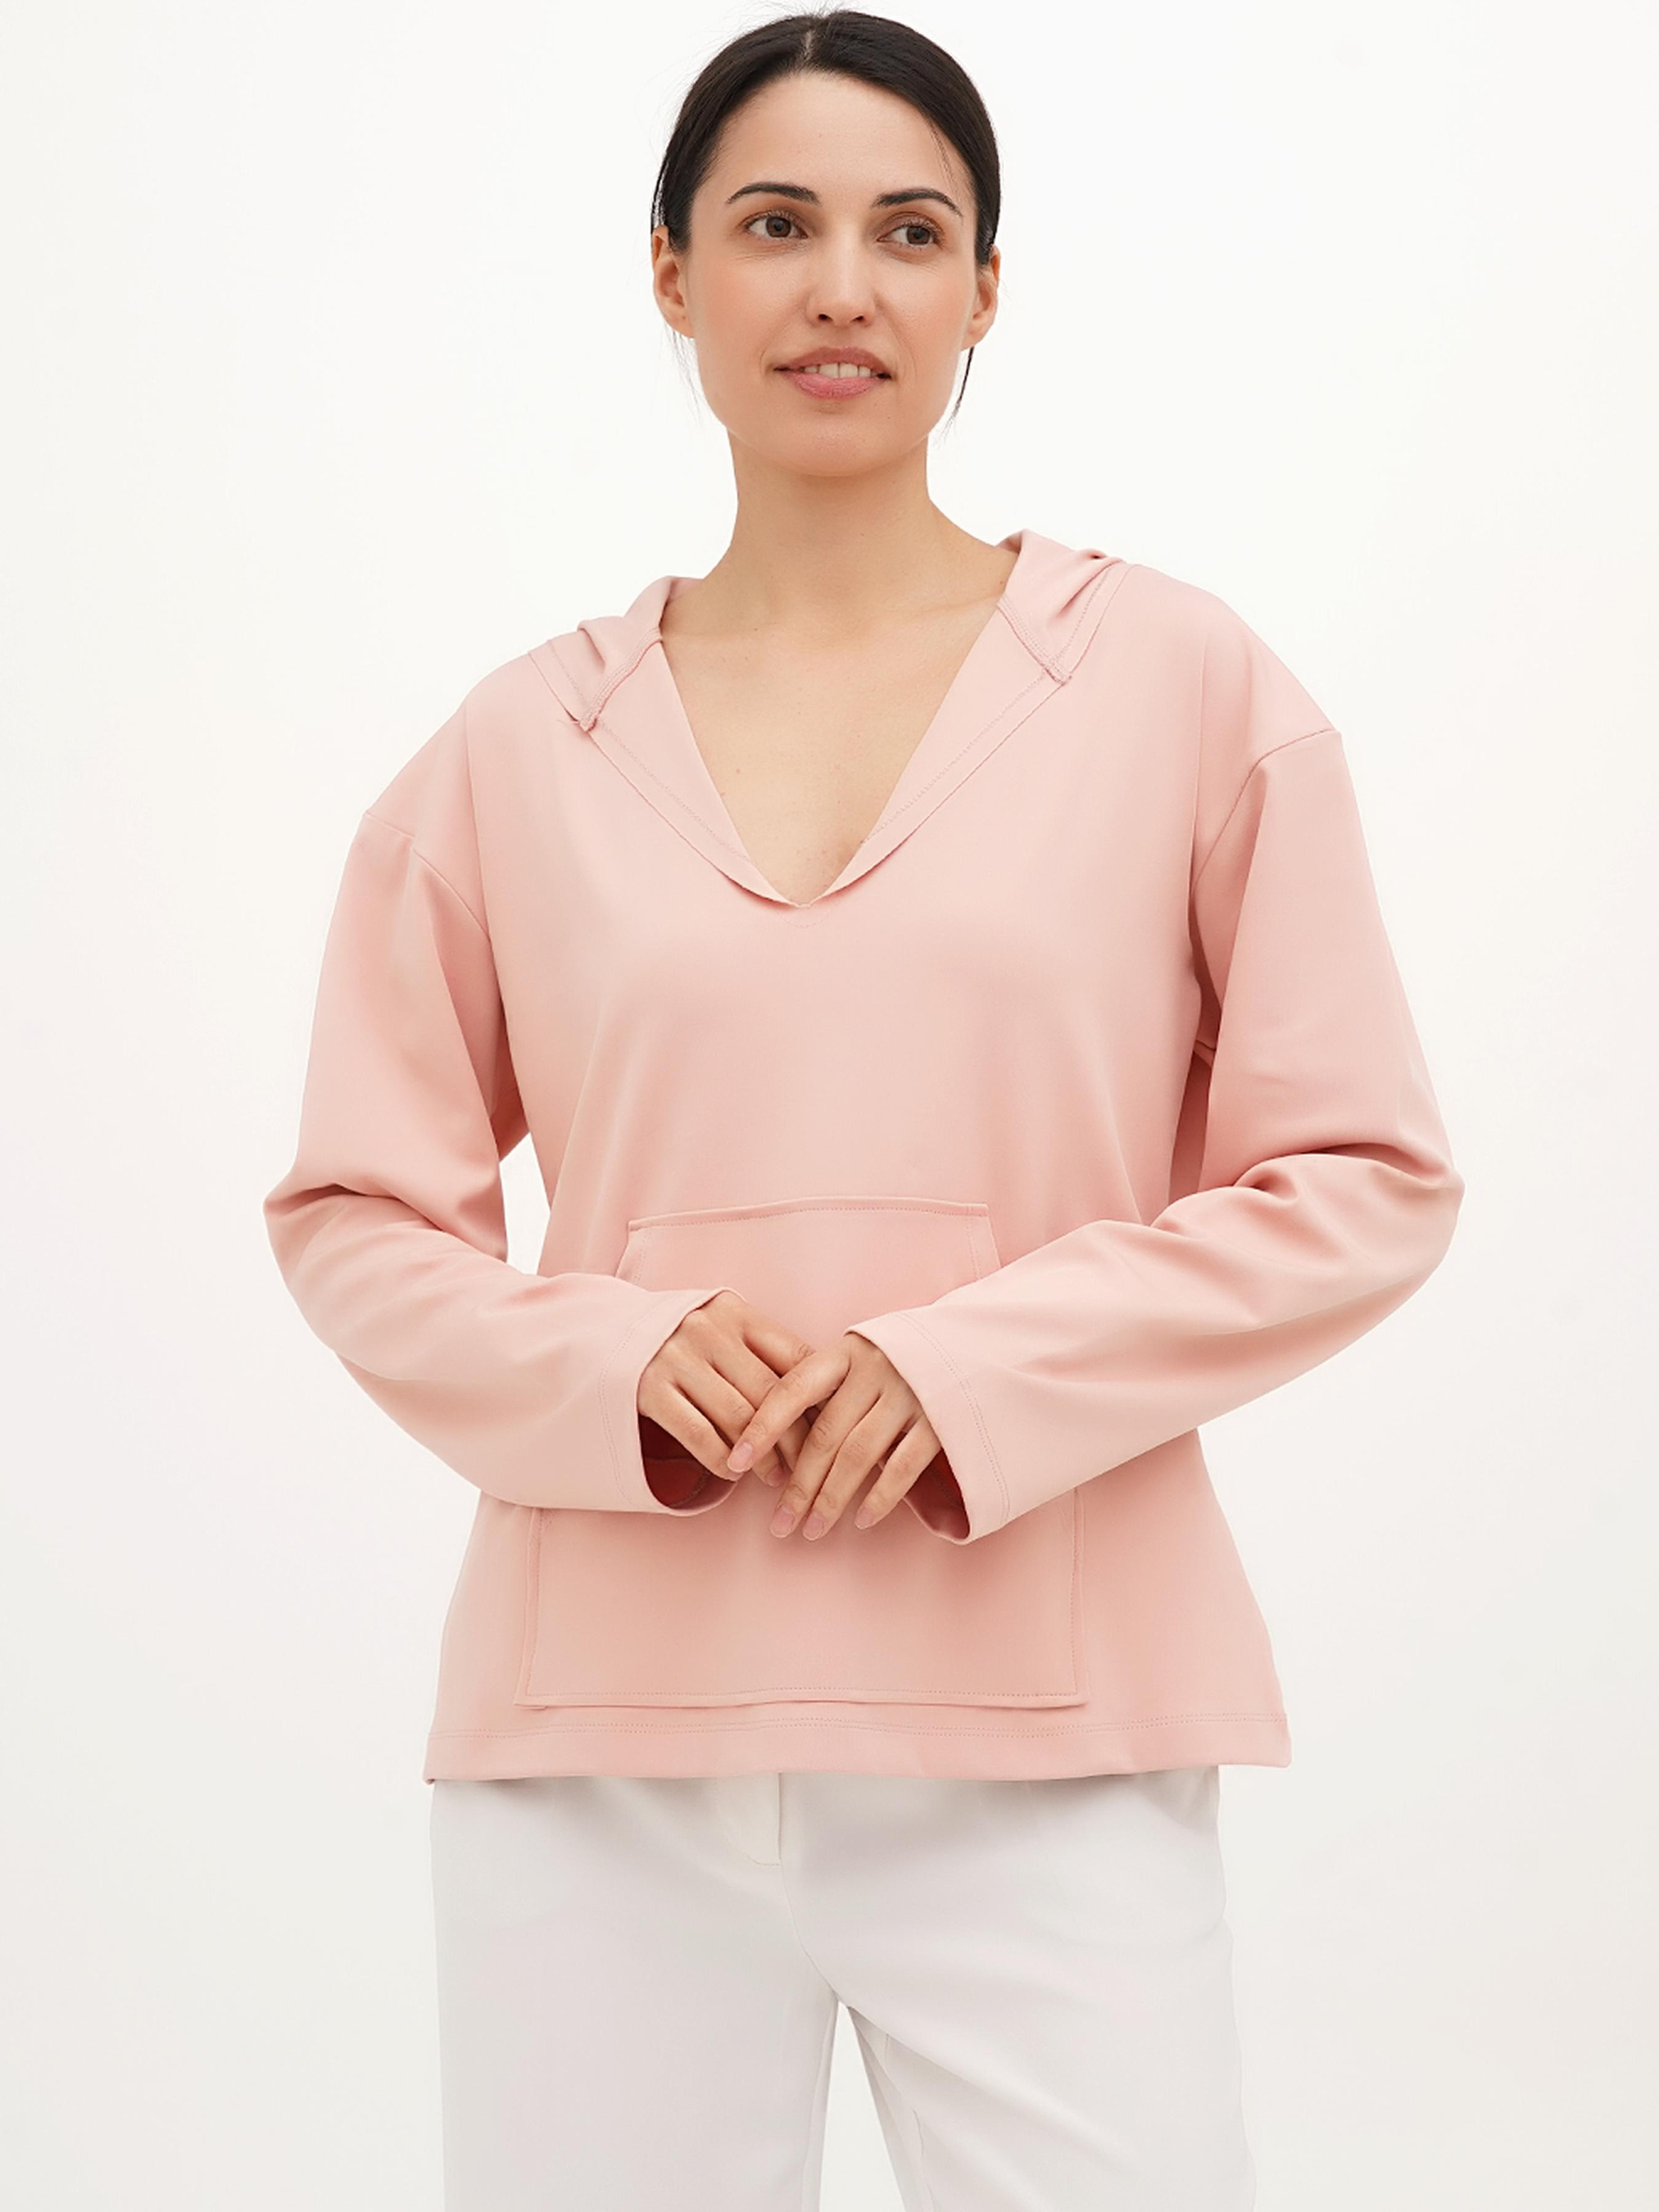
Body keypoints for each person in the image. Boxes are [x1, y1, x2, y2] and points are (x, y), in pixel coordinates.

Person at [261, 11, 1464, 2207]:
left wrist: (966, 1370)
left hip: (1051, 1729)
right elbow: (357, 1210)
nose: (843, 288)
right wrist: (613, 1359)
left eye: (910, 233)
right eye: (774, 226)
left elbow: (1362, 1175)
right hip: (599, 1745)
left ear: (985, 289)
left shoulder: (1185, 688)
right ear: (671, 274)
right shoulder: (516, 747)